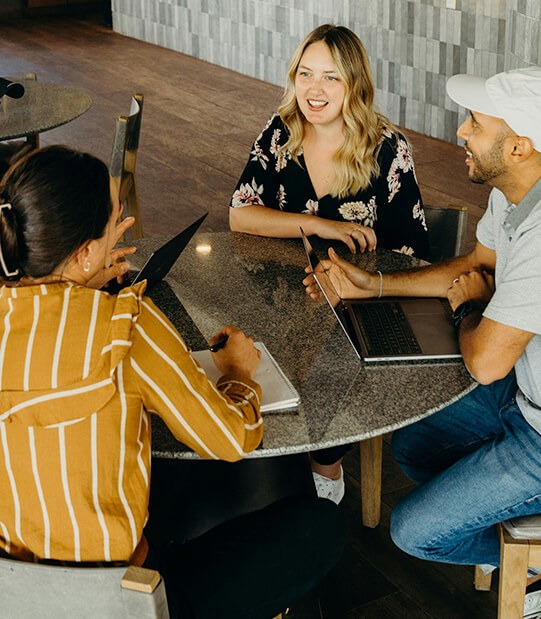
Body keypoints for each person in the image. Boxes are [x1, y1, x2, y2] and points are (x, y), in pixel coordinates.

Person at [0, 146, 346, 618]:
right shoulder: (125, 324)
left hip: (16, 598)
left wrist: (82, 279)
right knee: (319, 527)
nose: (122, 223)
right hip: (122, 601)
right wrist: (240, 373)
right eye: (112, 223)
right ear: (83, 253)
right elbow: (230, 437)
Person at [303, 65, 541, 614]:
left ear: (519, 147)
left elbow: (483, 362)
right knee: (413, 442)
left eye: (476, 124)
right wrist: (375, 284)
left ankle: (530, 560)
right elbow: (477, 264)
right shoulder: (517, 191)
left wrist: (467, 309)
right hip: (524, 396)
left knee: (415, 532)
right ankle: (515, 537)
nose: (461, 131)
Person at [229, 23, 429, 503]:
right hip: (283, 290)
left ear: (355, 85)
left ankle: (326, 466)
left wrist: (346, 275)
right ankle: (267, 449)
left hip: (356, 301)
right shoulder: (281, 131)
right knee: (234, 347)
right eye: (306, 74)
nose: (314, 90)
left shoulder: (387, 147)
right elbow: (240, 213)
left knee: (330, 360)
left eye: (331, 78)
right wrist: (319, 225)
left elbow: (411, 251)